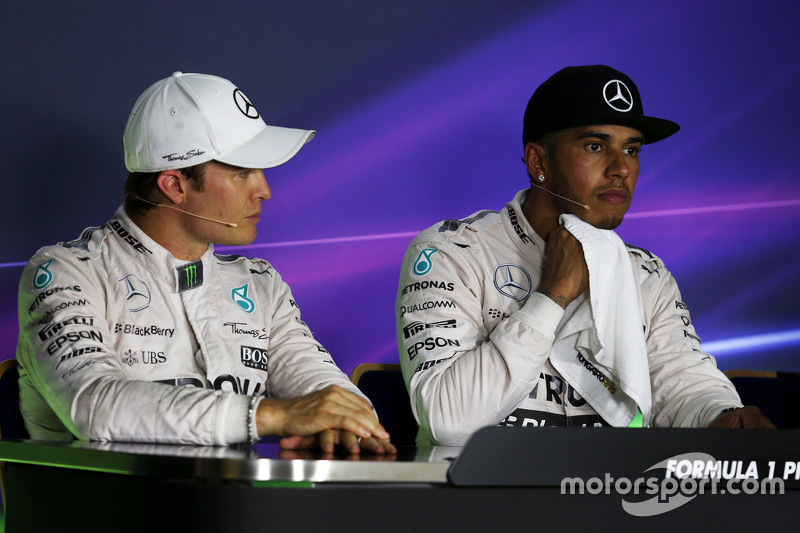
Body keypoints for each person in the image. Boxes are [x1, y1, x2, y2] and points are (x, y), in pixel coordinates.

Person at [17, 71, 395, 454]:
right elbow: (94, 406)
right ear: (174, 186)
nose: (263, 190)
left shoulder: (259, 284)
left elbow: (328, 393)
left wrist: (346, 422)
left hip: (236, 509)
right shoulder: (64, 271)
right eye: (241, 172)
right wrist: (272, 416)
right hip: (100, 512)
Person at [395, 65, 772, 446]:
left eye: (631, 149)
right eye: (595, 146)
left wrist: (722, 415)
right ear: (539, 162)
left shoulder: (646, 273)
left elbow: (682, 383)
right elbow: (449, 421)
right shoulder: (453, 252)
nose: (620, 168)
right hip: (483, 499)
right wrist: (552, 295)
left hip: (605, 494)